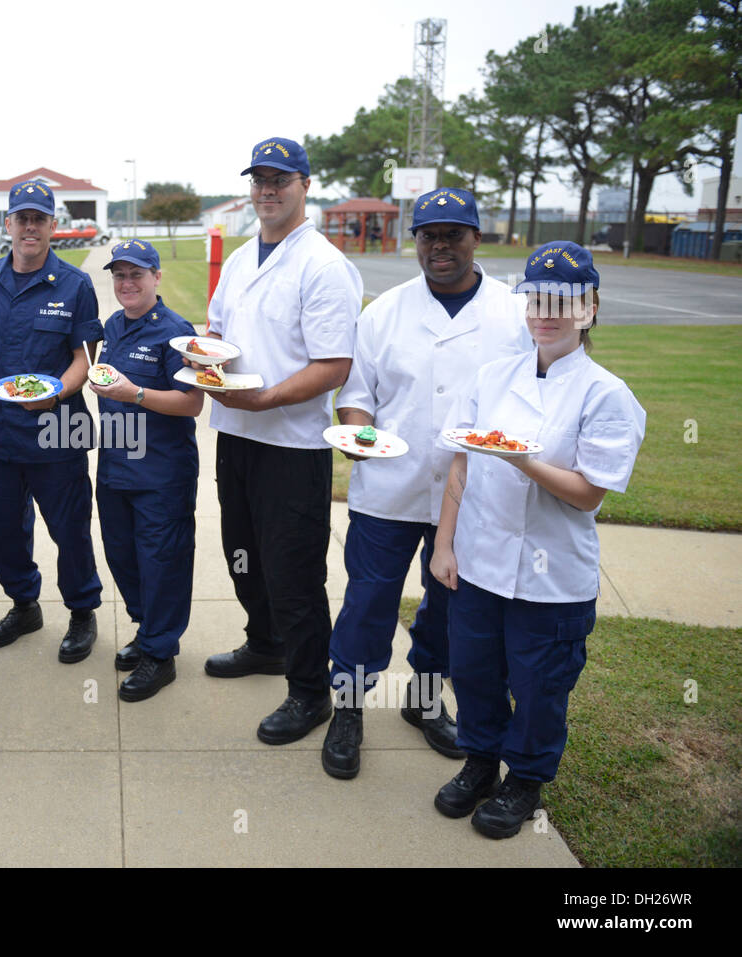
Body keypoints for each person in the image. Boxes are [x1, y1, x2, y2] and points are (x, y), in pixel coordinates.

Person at [429, 241, 645, 838]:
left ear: (589, 308)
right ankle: (478, 761)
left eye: (562, 301)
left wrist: (521, 461)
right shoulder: (493, 377)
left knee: (539, 685)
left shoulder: (607, 394)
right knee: (473, 671)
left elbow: (587, 494)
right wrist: (445, 545)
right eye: (535, 300)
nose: (545, 313)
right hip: (479, 561)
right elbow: (461, 467)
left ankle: (524, 778)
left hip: (552, 578)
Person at [322, 187, 534, 780]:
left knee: (447, 608)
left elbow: (526, 403)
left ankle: (423, 697)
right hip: (390, 487)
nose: (440, 246)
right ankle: (349, 708)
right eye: (428, 235)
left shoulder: (512, 314)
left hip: (472, 498)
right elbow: (357, 397)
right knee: (367, 603)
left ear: (476, 238)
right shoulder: (384, 311)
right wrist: (358, 438)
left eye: (453, 234)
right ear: (414, 240)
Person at [199, 137, 362, 745]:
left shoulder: (323, 265)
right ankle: (264, 644)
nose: (268, 190)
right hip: (235, 433)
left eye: (281, 179)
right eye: (259, 180)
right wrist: (205, 358)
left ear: (305, 185)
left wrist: (263, 398)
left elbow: (333, 365)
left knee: (293, 570)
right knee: (242, 553)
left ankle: (309, 691)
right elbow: (216, 327)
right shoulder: (243, 258)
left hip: (291, 445)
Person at [0, 180, 103, 661]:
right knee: (4, 530)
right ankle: (24, 605)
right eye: (21, 218)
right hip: (1, 434)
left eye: (39, 219)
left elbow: (86, 358)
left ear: (53, 226)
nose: (30, 227)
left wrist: (57, 392)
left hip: (58, 431)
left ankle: (82, 612)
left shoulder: (75, 285)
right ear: (8, 224)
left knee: (69, 529)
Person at [87, 240, 203, 701]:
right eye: (119, 275)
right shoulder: (114, 325)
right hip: (116, 465)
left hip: (161, 472)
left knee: (162, 562)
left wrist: (133, 393)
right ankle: (147, 628)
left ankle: (160, 653)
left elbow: (192, 402)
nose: (127, 283)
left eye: (137, 274)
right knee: (123, 555)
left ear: (157, 277)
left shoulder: (176, 332)